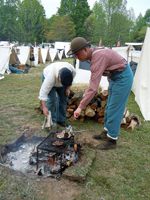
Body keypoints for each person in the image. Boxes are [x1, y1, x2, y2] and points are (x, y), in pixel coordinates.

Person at [67, 37, 133, 150]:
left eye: (77, 54)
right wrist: (110, 82)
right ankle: (106, 132)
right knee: (108, 108)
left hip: (123, 77)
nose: (76, 57)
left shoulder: (97, 58)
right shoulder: (93, 55)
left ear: (85, 50)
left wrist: (80, 108)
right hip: (114, 77)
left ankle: (112, 140)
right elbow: (110, 65)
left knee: (114, 109)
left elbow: (93, 88)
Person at [38, 62, 76, 127]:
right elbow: (43, 93)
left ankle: (60, 120)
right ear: (59, 76)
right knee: (51, 101)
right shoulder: (50, 77)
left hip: (62, 79)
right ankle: (52, 122)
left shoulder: (72, 71)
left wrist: (67, 88)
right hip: (49, 79)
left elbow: (70, 81)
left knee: (63, 100)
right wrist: (44, 107)